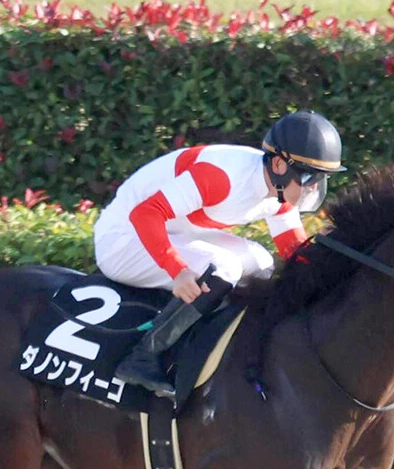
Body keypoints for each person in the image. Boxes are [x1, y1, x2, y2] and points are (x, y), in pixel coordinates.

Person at [93, 110, 345, 398]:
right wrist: (178, 270)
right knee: (224, 266)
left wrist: (334, 258)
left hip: (174, 231)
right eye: (309, 177)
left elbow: (294, 252)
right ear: (278, 164)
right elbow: (145, 214)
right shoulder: (222, 177)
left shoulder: (278, 188)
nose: (313, 188)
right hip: (124, 239)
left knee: (261, 263)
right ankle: (143, 355)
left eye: (321, 179)